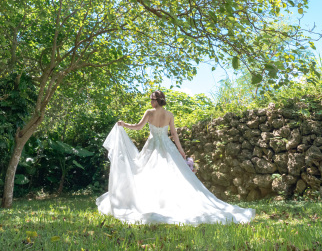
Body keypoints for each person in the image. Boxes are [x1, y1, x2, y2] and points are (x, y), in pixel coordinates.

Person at [96, 90, 255, 225]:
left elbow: (138, 127)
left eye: (152, 99)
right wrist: (181, 151)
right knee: (171, 175)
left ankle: (159, 202)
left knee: (148, 174)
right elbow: (174, 135)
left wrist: (124, 125)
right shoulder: (169, 114)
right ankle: (160, 202)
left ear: (157, 100)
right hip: (166, 147)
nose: (150, 102)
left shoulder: (149, 113)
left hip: (152, 147)